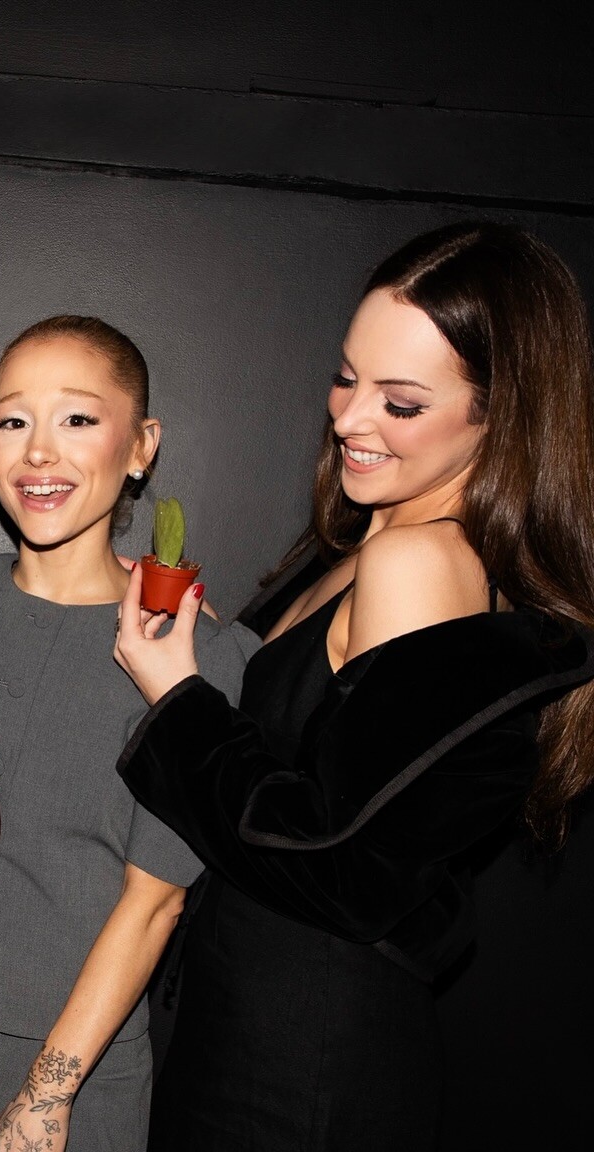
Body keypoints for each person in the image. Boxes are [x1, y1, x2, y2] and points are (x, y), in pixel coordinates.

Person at [112, 220, 594, 1151]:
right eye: (346, 377)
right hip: (254, 1020)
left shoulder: (420, 562)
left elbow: (343, 867)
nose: (348, 419)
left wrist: (180, 700)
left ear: (500, 415)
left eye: (400, 402)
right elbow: (320, 757)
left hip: (301, 1056)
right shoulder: (365, 542)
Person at [0, 316, 258, 1152]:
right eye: (12, 419)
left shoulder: (200, 653)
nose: (37, 452)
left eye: (78, 418)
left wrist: (45, 1095)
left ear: (141, 446)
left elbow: (155, 902)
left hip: (73, 1084)